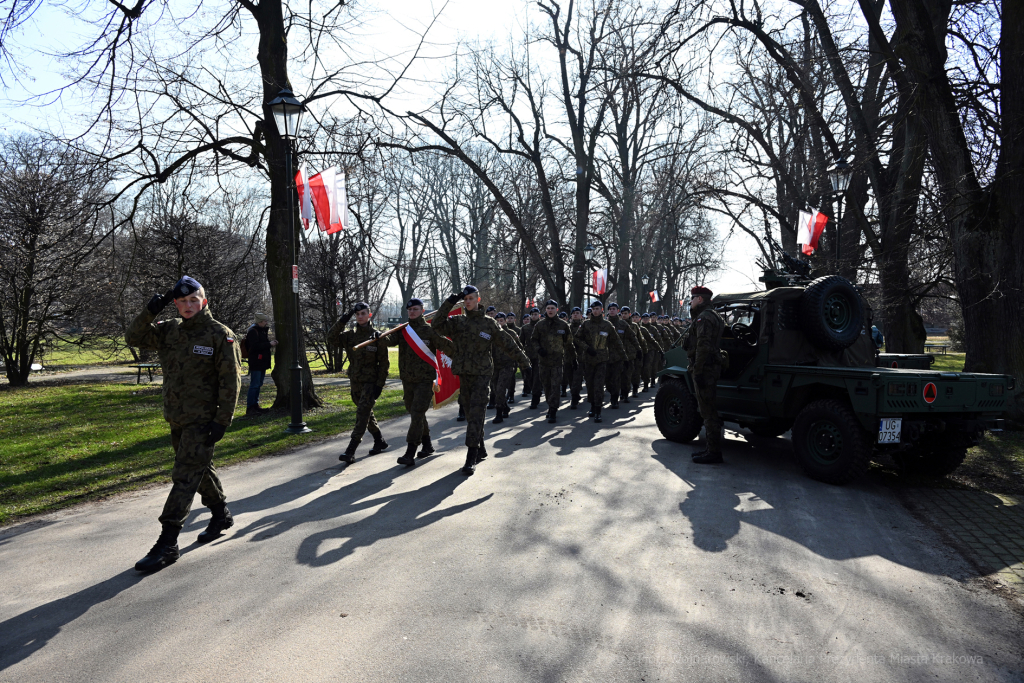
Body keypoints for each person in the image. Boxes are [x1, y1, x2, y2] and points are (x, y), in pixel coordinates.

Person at [126, 276, 242, 572]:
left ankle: (168, 542)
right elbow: (134, 338)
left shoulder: (219, 335)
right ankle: (220, 514)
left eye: (194, 300)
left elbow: (232, 382)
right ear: (175, 304)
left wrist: (222, 420)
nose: (188, 306)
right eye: (182, 302)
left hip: (203, 420)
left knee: (184, 475)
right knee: (197, 470)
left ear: (204, 301)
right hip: (177, 417)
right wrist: (150, 311)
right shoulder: (169, 331)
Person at [432, 286, 531, 475]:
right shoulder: (457, 322)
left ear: (478, 300)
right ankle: (481, 446)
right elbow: (436, 325)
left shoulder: (489, 324)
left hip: (482, 374)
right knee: (470, 414)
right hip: (464, 374)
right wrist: (450, 301)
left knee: (477, 413)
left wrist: (524, 362)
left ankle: (471, 456)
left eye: (471, 298)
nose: (468, 301)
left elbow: (506, 342)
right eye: (465, 299)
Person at [385, 298, 454, 467]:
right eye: (409, 310)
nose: (412, 312)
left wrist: (466, 355)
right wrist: (376, 336)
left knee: (417, 412)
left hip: (425, 380)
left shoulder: (430, 331)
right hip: (407, 380)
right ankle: (428, 444)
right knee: (415, 413)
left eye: (415, 309)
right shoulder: (403, 330)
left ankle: (410, 451)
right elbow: (386, 341)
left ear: (422, 310)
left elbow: (447, 346)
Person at [328, 303, 390, 463]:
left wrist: (379, 385)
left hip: (371, 382)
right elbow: (331, 338)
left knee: (362, 414)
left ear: (369, 315)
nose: (360, 316)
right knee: (366, 413)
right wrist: (343, 320)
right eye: (357, 314)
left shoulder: (377, 336)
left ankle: (351, 449)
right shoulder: (350, 336)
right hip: (355, 381)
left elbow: (384, 364)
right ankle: (379, 440)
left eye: (363, 313)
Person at [684, 285, 726, 464]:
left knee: (708, 412)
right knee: (708, 410)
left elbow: (703, 346)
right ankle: (710, 449)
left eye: (692, 298)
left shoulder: (704, 318)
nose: (691, 302)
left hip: (705, 369)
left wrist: (698, 370)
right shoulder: (713, 315)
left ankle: (714, 452)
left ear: (700, 299)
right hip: (710, 367)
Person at [573, 300, 624, 423]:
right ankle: (592, 406)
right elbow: (576, 339)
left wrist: (623, 357)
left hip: (602, 360)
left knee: (599, 385)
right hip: (588, 359)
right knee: (590, 384)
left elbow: (617, 342)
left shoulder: (607, 325)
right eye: (593, 309)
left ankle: (598, 410)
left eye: (597, 309)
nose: (595, 311)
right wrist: (587, 348)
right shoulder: (585, 324)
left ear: (601, 310)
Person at [528, 299, 576, 423]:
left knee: (555, 386)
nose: (550, 310)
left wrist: (573, 358)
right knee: (547, 386)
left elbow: (569, 343)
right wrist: (539, 350)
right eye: (548, 308)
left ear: (557, 310)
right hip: (543, 362)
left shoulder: (563, 325)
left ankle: (553, 410)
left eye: (552, 308)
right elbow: (533, 340)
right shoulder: (540, 325)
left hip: (557, 362)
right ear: (545, 310)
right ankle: (550, 406)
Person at [606, 303, 640, 407]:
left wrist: (639, 350)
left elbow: (633, 337)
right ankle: (613, 393)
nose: (612, 311)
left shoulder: (623, 324)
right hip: (605, 357)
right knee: (607, 380)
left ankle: (616, 398)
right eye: (610, 309)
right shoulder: (604, 324)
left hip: (620, 356)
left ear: (617, 311)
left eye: (614, 309)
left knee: (620, 378)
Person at [491, 312, 523, 424]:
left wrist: (520, 362)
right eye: (497, 321)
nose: (499, 323)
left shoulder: (511, 333)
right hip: (494, 366)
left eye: (501, 320)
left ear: (505, 321)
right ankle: (505, 407)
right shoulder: (492, 334)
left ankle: (499, 413)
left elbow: (519, 348)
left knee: (500, 389)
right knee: (495, 389)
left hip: (507, 365)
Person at [244, 312, 277, 416]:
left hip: (261, 361)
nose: (266, 323)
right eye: (264, 321)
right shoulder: (253, 331)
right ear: (259, 321)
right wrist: (269, 344)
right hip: (256, 361)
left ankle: (255, 405)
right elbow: (254, 346)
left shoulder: (261, 331)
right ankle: (250, 407)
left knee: (259, 384)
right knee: (254, 385)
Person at [568, 307, 586, 408]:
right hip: (568, 357)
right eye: (573, 313)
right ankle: (575, 394)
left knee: (577, 378)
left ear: (581, 315)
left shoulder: (584, 326)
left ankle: (574, 398)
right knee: (570, 378)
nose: (575, 315)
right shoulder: (567, 327)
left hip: (580, 356)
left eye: (577, 313)